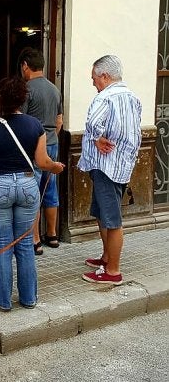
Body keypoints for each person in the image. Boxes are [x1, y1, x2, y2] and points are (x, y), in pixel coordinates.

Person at [0, 76, 64, 311]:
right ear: (23, 99)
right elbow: (42, 161)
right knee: (25, 244)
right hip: (27, 185)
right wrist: (55, 167)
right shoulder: (34, 125)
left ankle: (3, 300)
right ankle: (28, 298)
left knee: (3, 245)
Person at [78, 55, 141, 285]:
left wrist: (96, 138)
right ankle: (106, 257)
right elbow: (135, 132)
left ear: (104, 76)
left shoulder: (105, 97)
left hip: (106, 166)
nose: (93, 83)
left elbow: (93, 123)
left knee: (112, 220)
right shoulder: (132, 97)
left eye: (94, 78)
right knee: (104, 215)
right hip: (121, 165)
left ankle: (113, 271)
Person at [19, 47, 63, 254]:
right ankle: (52, 235)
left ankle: (35, 240)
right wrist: (51, 136)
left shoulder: (26, 89)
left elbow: (22, 121)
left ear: (25, 66)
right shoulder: (54, 89)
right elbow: (59, 120)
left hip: (33, 146)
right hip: (52, 142)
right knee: (50, 189)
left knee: (33, 192)